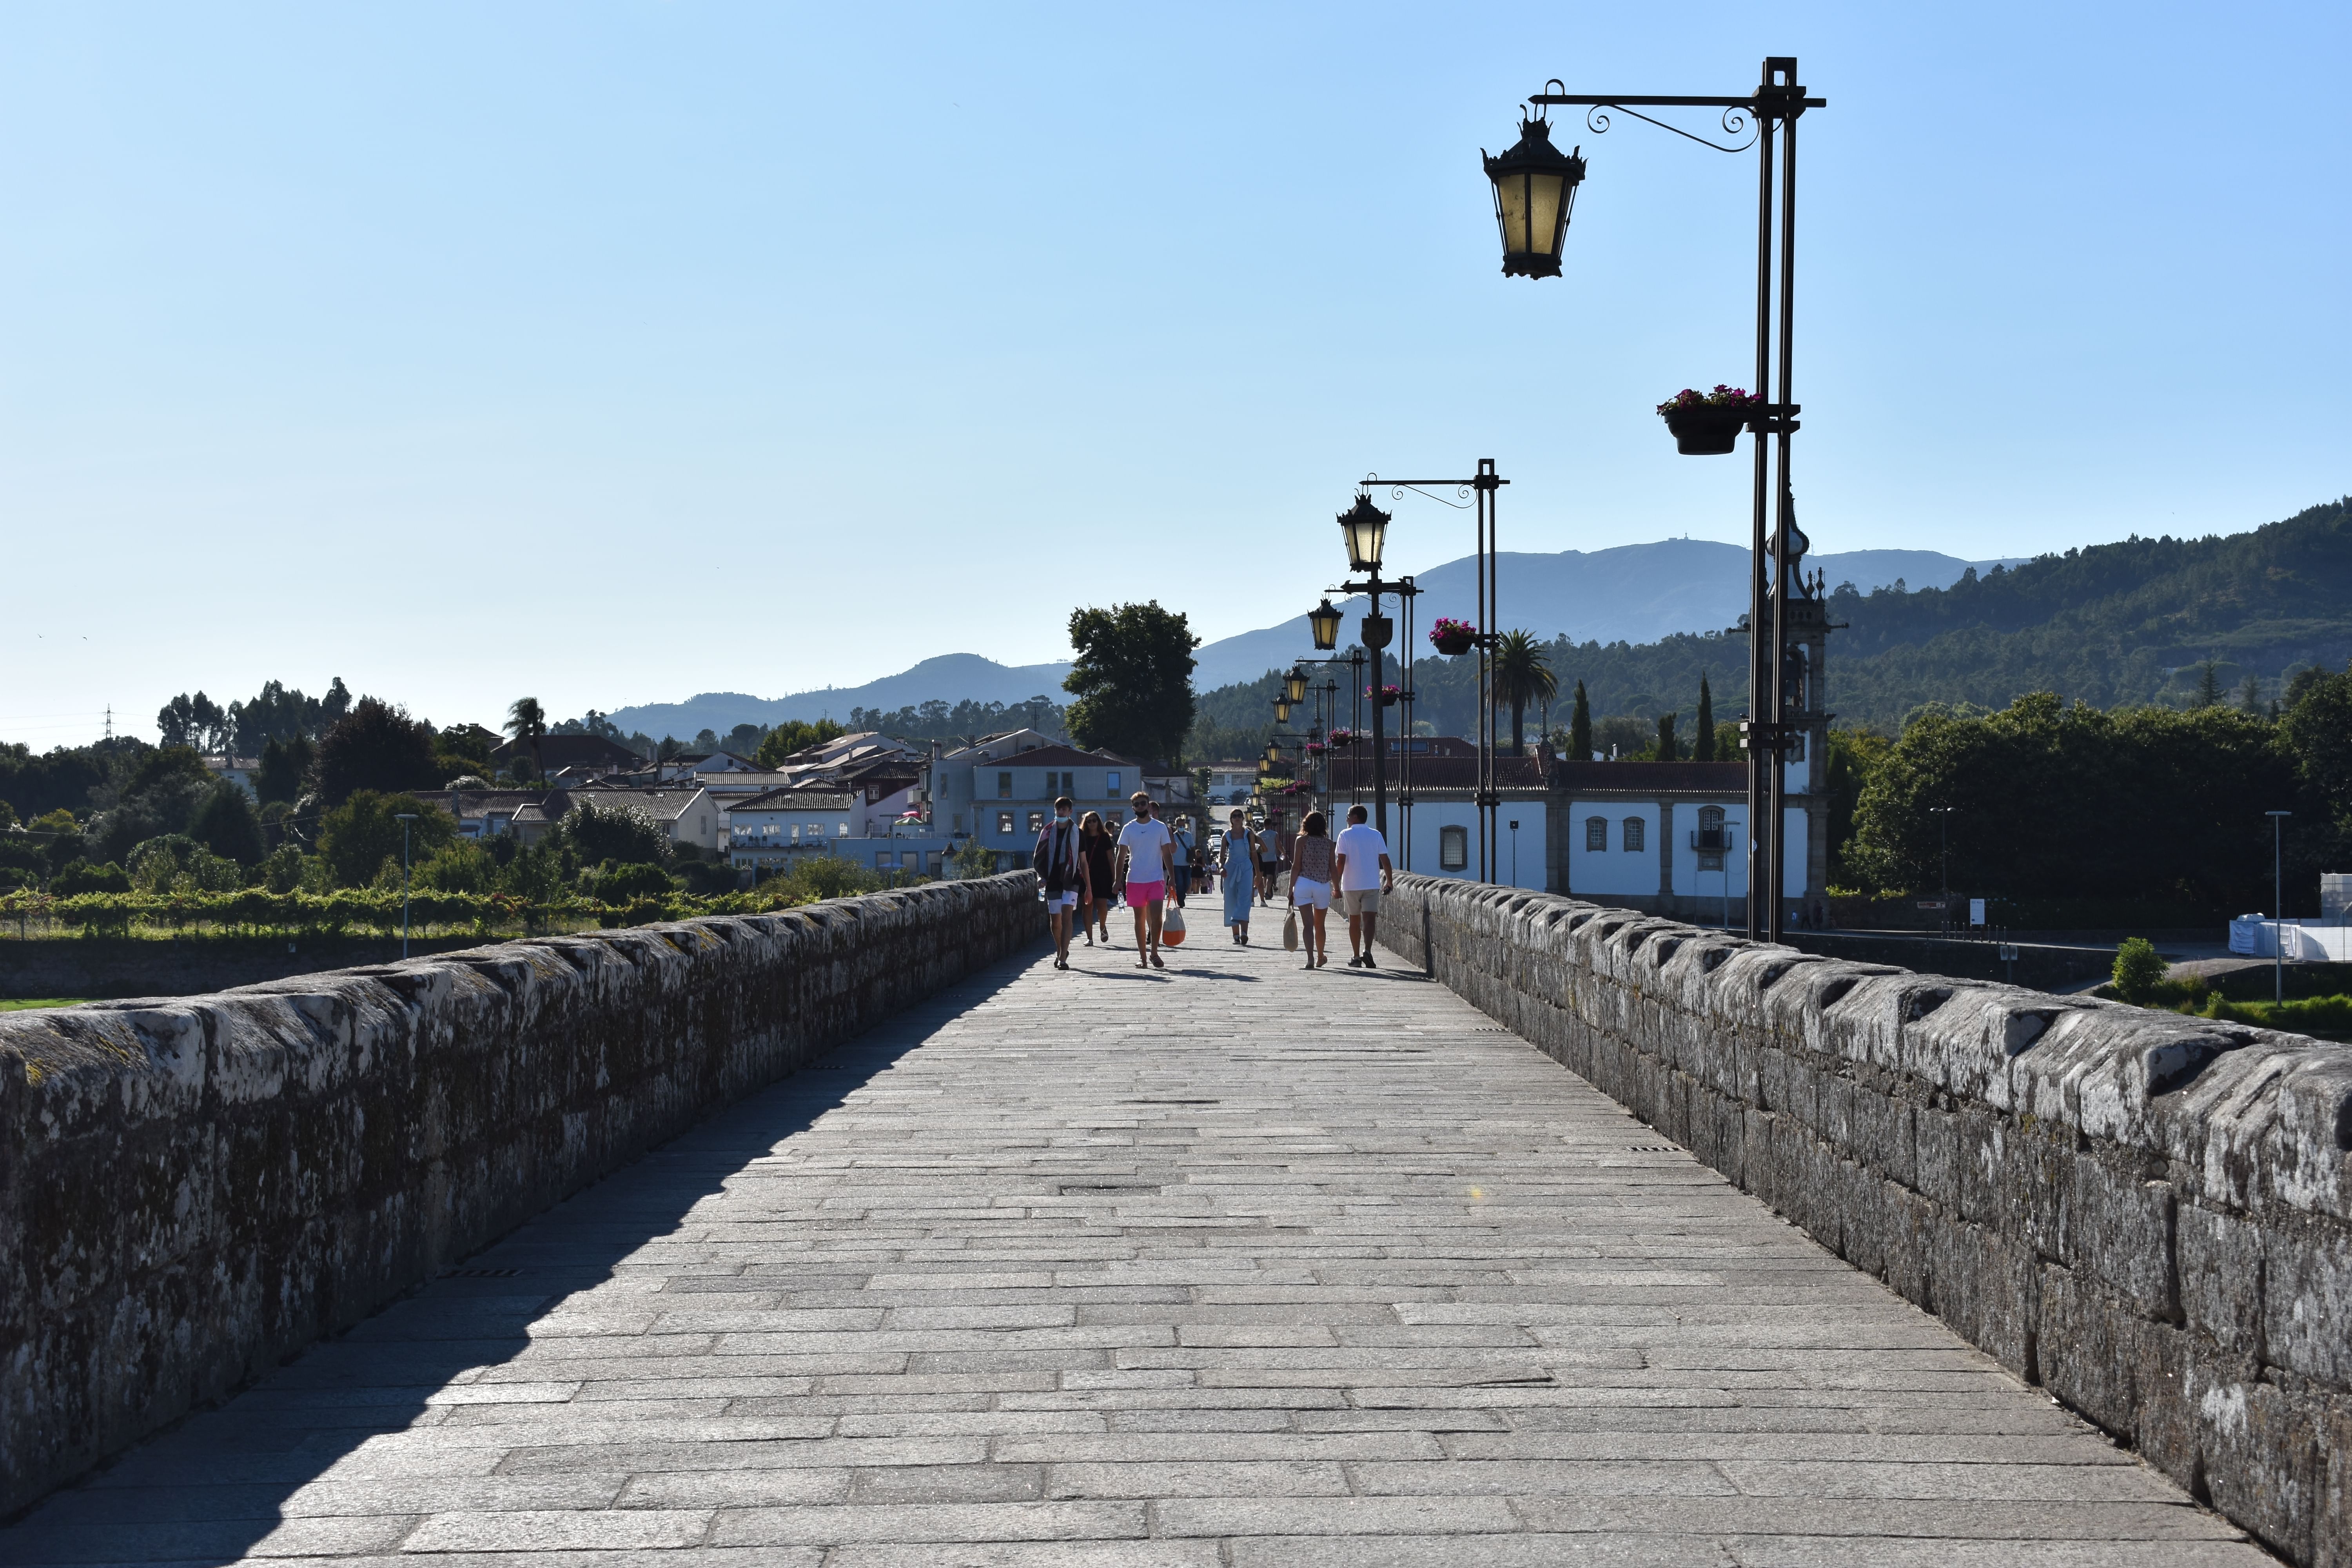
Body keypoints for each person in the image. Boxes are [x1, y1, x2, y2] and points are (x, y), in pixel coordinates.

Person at [1115, 791, 1176, 969]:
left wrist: (1172, 877)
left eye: (1143, 803)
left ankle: (1154, 953)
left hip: (1156, 878)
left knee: (1157, 918)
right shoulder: (1128, 829)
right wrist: (1117, 880)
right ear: (1133, 808)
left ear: (1149, 805)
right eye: (1137, 805)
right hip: (1135, 880)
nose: (1141, 807)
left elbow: (1167, 853)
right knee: (1139, 919)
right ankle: (1142, 957)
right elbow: (1121, 856)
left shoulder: (1160, 828)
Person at [1332, 803, 1395, 968]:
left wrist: (1336, 885)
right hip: (1371, 884)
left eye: (1348, 815)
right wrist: (1389, 881)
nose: (1346, 819)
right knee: (1369, 921)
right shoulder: (1376, 835)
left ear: (1355, 817)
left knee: (1354, 922)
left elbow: (1341, 862)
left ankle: (1356, 957)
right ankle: (1367, 951)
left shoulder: (1345, 835)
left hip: (1351, 885)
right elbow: (1385, 861)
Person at [1034, 797, 1085, 970]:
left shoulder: (1077, 832)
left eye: (1064, 810)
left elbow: (1083, 861)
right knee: (1056, 922)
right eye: (1058, 810)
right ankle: (1060, 949)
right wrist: (1041, 876)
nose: (1061, 813)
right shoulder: (1047, 832)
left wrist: (1090, 888)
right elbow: (1040, 856)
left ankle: (1063, 958)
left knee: (1067, 917)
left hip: (1072, 880)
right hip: (1053, 879)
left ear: (1071, 812)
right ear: (1055, 811)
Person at [1287, 809, 1335, 969]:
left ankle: (1310, 959)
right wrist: (1337, 887)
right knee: (1320, 925)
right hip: (1322, 885)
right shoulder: (1329, 844)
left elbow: (1296, 867)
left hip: (1303, 883)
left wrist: (1290, 889)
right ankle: (1321, 956)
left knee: (1308, 925)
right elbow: (1333, 868)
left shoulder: (1301, 841)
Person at [1078, 811, 1116, 946]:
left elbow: (1110, 859)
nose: (1092, 823)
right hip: (1085, 875)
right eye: (1089, 821)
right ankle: (1090, 938)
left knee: (1102, 905)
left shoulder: (1105, 837)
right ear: (1086, 823)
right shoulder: (1081, 837)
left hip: (1102, 875)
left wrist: (1115, 878)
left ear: (1098, 822)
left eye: (1094, 820)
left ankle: (1102, 926)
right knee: (1087, 907)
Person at [1221, 808, 1255, 944]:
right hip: (1231, 868)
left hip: (1246, 867)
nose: (1237, 818)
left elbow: (1254, 854)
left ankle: (1244, 932)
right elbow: (1222, 856)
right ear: (1231, 820)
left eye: (1239, 816)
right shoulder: (1226, 836)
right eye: (1234, 816)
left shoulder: (1249, 835)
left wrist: (1258, 874)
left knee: (1245, 900)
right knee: (1231, 900)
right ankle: (1236, 934)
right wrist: (1220, 867)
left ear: (1243, 819)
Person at [1169, 817, 1192, 906]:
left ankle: (1182, 897)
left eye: (1183, 825)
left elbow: (1193, 847)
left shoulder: (1189, 835)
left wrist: (1193, 858)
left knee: (1187, 884)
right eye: (1180, 826)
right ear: (1177, 826)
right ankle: (1181, 901)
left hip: (1187, 864)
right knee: (1180, 883)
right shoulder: (1173, 837)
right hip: (1176, 864)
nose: (1182, 827)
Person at [1256, 818, 1279, 906]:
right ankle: (1267, 892)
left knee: (1263, 877)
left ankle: (1267, 892)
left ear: (1264, 825)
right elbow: (1278, 845)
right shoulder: (1275, 834)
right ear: (1271, 825)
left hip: (1262, 859)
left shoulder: (1259, 835)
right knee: (1270, 877)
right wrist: (1283, 852)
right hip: (1271, 859)